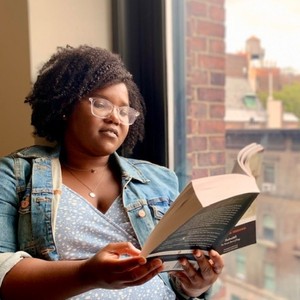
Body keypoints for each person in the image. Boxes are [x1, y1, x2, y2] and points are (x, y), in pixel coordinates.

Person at [0, 45, 223, 299]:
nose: (115, 118)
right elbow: (3, 275)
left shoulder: (160, 181)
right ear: (65, 106)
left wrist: (195, 285)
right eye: (102, 104)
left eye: (124, 111)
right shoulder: (16, 175)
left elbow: (175, 283)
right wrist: (87, 274)